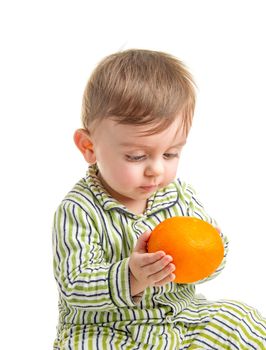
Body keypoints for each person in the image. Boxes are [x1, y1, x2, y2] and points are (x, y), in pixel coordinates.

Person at [52, 49, 266, 349]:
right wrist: (132, 275)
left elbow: (209, 256)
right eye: (137, 156)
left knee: (244, 321)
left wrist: (212, 250)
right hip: (108, 327)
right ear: (89, 147)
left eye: (170, 153)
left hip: (179, 316)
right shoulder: (79, 210)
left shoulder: (179, 195)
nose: (156, 169)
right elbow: (75, 286)